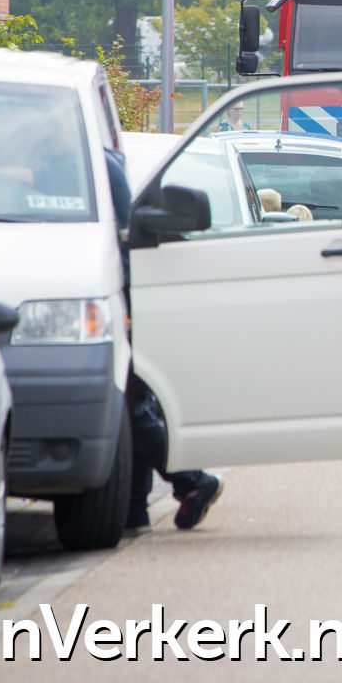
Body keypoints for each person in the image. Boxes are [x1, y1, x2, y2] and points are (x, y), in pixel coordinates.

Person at [104, 145, 223, 534]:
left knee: (132, 406)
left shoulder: (99, 165)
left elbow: (125, 241)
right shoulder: (104, 162)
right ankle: (135, 508)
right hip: (124, 297)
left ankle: (192, 480)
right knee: (133, 407)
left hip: (122, 299)